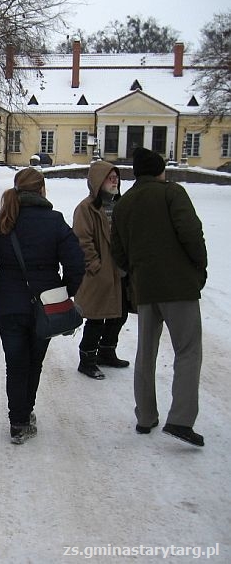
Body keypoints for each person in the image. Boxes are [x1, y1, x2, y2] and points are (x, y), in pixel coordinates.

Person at [111, 147, 207, 447]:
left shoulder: (124, 203)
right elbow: (191, 233)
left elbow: (118, 250)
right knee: (188, 351)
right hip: (179, 286)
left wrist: (135, 270)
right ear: (160, 170)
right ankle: (180, 419)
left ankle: (145, 416)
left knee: (146, 351)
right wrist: (198, 266)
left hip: (144, 288)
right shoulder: (172, 193)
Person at [0, 168, 84, 444]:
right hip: (46, 306)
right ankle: (25, 414)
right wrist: (64, 292)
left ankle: (18, 421)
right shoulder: (54, 222)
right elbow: (77, 263)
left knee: (15, 363)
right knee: (34, 362)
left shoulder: (0, 222)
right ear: (42, 190)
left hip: (9, 305)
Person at [72, 161, 130, 380]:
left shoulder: (121, 205)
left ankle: (107, 351)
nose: (114, 181)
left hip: (120, 271)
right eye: (110, 177)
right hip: (99, 273)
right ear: (98, 181)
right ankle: (87, 359)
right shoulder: (86, 208)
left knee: (119, 314)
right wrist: (95, 264)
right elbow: (82, 240)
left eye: (116, 177)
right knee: (96, 317)